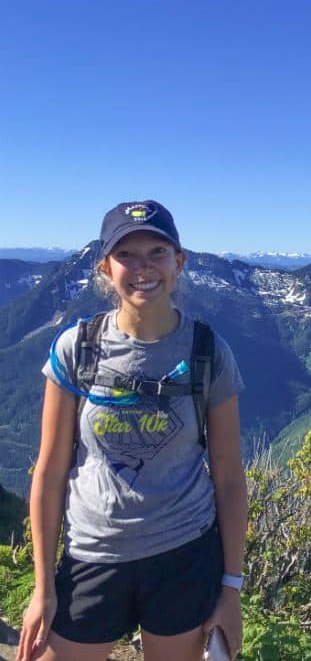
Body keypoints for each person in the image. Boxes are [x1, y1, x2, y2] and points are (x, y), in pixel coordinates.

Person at [18, 200, 247, 661]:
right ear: (105, 267)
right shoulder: (76, 350)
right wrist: (43, 589)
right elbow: (50, 470)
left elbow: (228, 477)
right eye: (127, 255)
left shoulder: (208, 353)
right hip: (93, 553)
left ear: (179, 263)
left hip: (183, 554)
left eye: (157, 253)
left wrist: (231, 589)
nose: (143, 268)